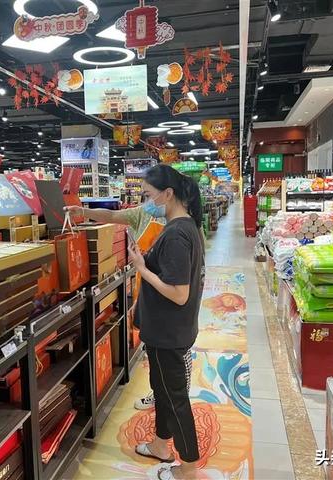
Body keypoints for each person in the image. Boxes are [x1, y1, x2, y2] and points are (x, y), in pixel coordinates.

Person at [65, 199, 187, 411]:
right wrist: (82, 211)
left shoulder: (180, 218)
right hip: (149, 290)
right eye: (147, 193)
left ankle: (177, 400)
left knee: (178, 352)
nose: (149, 198)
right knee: (154, 350)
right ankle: (160, 394)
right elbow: (111, 216)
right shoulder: (143, 213)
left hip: (173, 291)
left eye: (151, 191)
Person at [128, 164, 205, 480]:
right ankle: (160, 445)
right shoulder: (185, 226)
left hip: (168, 331)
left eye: (148, 195)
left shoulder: (175, 234)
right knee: (162, 390)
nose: (147, 202)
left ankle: (188, 468)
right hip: (169, 329)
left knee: (174, 399)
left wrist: (141, 269)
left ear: (168, 194)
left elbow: (178, 293)